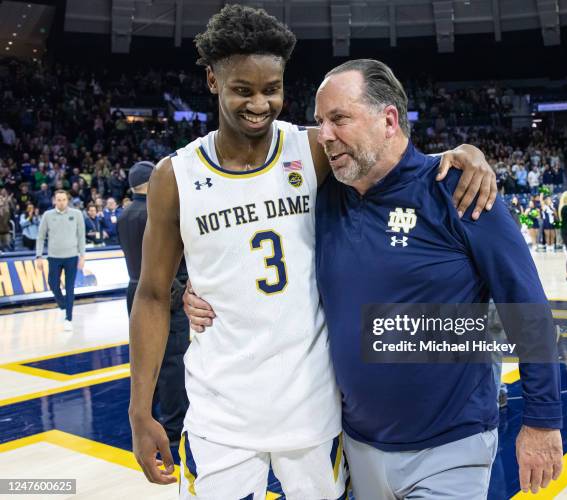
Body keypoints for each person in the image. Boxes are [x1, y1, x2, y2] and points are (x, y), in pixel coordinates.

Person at [132, 5, 497, 499]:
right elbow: (152, 295)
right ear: (213, 82)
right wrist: (140, 410)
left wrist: (460, 153)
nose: (259, 103)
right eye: (243, 89)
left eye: (271, 89)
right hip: (221, 412)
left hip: (312, 412)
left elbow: (387, 160)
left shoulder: (311, 151)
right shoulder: (174, 178)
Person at [186, 59, 564, 498]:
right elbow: (250, 245)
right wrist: (194, 292)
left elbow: (528, 309)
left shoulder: (458, 190)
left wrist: (542, 420)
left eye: (339, 119)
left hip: (451, 447)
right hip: (355, 446)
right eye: (320, 122)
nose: (324, 135)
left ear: (388, 120)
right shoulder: (323, 199)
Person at [117, 161, 189, 449]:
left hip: (134, 288)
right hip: (164, 289)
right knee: (172, 361)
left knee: (146, 358)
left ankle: (150, 413)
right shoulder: (155, 211)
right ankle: (174, 425)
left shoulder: (123, 215)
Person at [35, 190, 86, 331]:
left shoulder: (77, 214)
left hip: (71, 257)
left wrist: (82, 256)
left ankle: (68, 318)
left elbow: (81, 236)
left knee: (70, 288)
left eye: (64, 199)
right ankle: (63, 306)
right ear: (54, 201)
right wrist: (38, 256)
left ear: (67, 200)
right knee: (53, 284)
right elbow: (40, 237)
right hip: (54, 257)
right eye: (59, 199)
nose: (61, 202)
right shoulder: (47, 215)